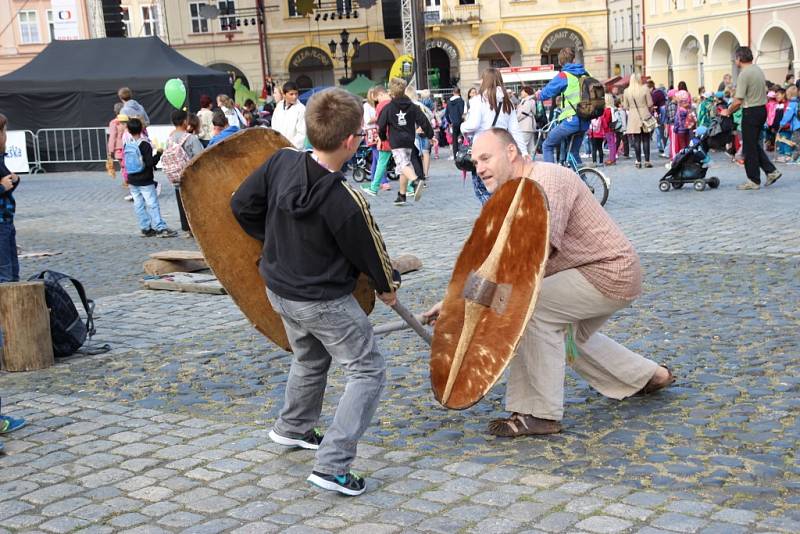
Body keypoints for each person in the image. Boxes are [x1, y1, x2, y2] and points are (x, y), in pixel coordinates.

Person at [423, 128, 674, 437]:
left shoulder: (545, 181)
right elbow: (498, 262)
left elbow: (527, 263)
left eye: (486, 158)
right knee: (565, 336)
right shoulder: (516, 192)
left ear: (511, 152)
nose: (480, 168)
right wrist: (457, 301)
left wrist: (469, 300)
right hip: (593, 273)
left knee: (531, 312)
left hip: (608, 272)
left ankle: (538, 414)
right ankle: (649, 377)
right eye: (475, 162)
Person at [230, 88, 399, 497]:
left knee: (310, 357)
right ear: (349, 141)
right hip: (323, 301)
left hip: (280, 288)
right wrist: (387, 286)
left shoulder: (281, 162)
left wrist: (272, 240)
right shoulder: (346, 200)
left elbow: (241, 205)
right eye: (361, 134)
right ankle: (334, 466)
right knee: (367, 369)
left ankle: (293, 427)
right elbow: (370, 251)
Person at [462, 67, 527, 204]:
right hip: (500, 149)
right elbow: (515, 130)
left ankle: (497, 214)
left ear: (484, 81)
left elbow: (473, 125)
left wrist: (463, 126)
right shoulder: (507, 102)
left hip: (483, 150)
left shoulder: (478, 100)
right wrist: (524, 152)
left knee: (482, 189)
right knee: (500, 186)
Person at [720, 46, 782, 189]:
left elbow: (738, 100)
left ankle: (754, 180)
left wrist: (727, 111)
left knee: (749, 147)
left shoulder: (744, 74)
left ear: (739, 59)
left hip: (751, 111)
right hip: (761, 110)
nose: (735, 61)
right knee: (753, 144)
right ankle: (771, 171)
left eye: (735, 58)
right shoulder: (757, 70)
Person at [376, 77, 433, 206]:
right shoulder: (412, 106)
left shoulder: (389, 108)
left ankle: (416, 180)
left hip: (396, 142)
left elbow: (381, 125)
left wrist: (383, 137)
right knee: (403, 167)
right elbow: (423, 120)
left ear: (392, 92)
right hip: (409, 141)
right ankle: (402, 195)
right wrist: (430, 135)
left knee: (403, 165)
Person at [536, 48, 591, 166]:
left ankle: (551, 176)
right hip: (585, 120)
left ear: (560, 62)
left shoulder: (564, 76)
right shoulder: (585, 74)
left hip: (571, 121)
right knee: (573, 153)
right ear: (574, 59)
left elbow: (547, 92)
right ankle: (583, 181)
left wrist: (538, 95)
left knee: (547, 145)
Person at [123, 118, 177, 238]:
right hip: (145, 179)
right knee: (152, 203)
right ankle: (160, 227)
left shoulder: (127, 143)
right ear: (141, 128)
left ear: (129, 130)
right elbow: (149, 163)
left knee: (138, 204)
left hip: (132, 179)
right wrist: (158, 154)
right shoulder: (145, 144)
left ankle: (145, 228)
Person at [165, 110, 204, 236]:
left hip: (176, 176)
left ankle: (186, 228)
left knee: (181, 201)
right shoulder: (191, 138)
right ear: (185, 122)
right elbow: (200, 156)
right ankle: (196, 228)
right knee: (194, 203)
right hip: (191, 177)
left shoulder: (169, 139)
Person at [0, 113, 21, 283]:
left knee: (13, 273)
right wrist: (2, 186)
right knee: (5, 275)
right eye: (4, 131)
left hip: (6, 219)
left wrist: (14, 180)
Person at [362, 86, 393, 196]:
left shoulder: (379, 105)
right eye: (372, 95)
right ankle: (383, 182)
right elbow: (367, 120)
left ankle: (374, 183)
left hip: (381, 131)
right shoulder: (367, 106)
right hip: (372, 133)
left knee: (377, 159)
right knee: (380, 158)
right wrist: (379, 117)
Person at [622, 73, 655, 168]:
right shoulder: (644, 89)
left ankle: (638, 161)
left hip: (633, 116)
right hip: (644, 114)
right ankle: (647, 161)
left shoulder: (627, 91)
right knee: (646, 139)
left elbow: (625, 106)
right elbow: (650, 104)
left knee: (636, 140)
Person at [270, 81, 307, 149]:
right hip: (279, 147)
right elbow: (274, 128)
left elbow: (301, 134)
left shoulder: (301, 109)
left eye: (296, 94)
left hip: (294, 149)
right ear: (284, 95)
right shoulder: (279, 107)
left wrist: (289, 146)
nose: (294, 96)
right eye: (291, 94)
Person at [778, 85, 800, 163]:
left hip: (797, 127)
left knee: (795, 143)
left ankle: (795, 159)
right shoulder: (798, 102)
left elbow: (788, 115)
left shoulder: (792, 104)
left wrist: (782, 123)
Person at [517, 86, 537, 157]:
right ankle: (531, 163)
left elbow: (523, 113)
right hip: (528, 126)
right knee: (530, 147)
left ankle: (524, 163)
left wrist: (515, 120)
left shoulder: (528, 101)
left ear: (526, 92)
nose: (521, 92)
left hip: (525, 126)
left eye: (522, 91)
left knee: (523, 146)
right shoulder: (528, 100)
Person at [446, 88, 465, 160]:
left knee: (454, 140)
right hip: (461, 122)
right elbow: (462, 112)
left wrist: (450, 122)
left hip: (453, 123)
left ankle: (455, 155)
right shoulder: (461, 101)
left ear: (453, 92)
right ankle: (463, 153)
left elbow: (446, 114)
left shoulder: (449, 102)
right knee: (463, 138)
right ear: (459, 93)